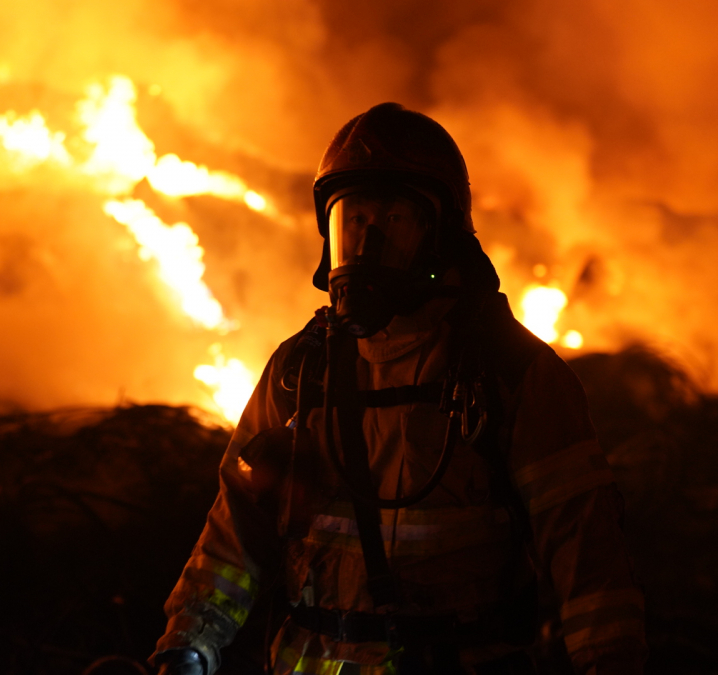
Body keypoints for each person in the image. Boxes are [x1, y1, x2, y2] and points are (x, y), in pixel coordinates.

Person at [152, 103, 647, 675]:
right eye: (353, 221)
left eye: (392, 222)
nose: (366, 247)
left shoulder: (512, 375)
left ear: (440, 237)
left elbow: (587, 555)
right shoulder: (299, 374)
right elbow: (233, 535)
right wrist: (188, 644)